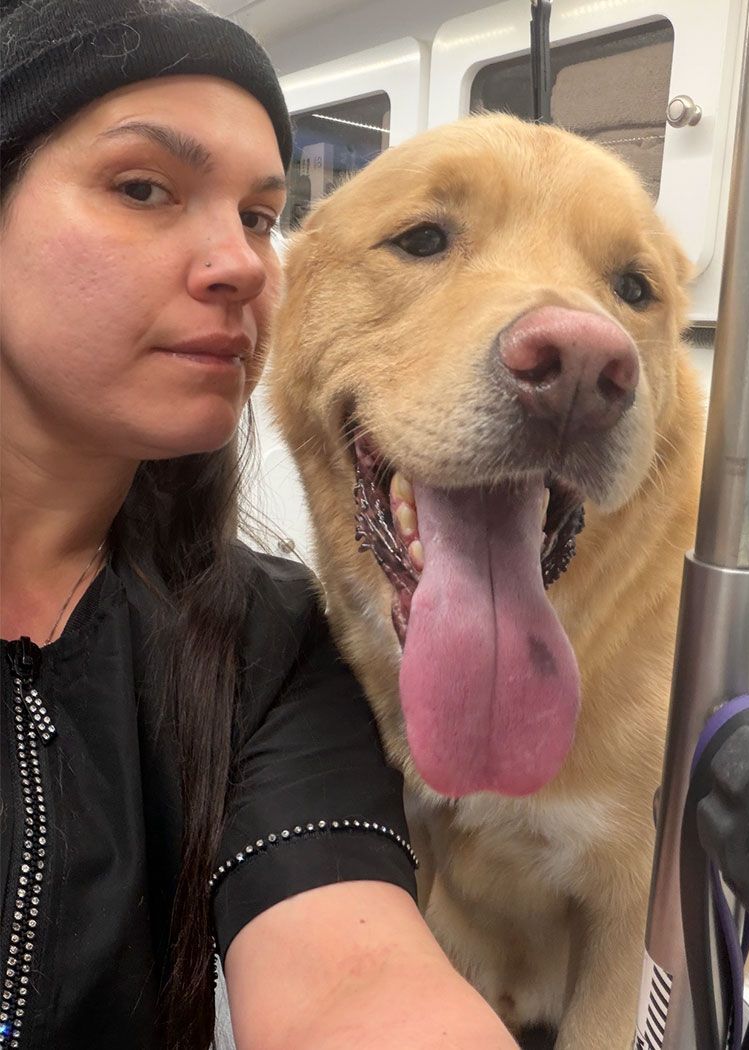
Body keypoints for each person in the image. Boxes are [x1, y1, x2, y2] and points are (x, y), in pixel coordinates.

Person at [0, 2, 521, 1048]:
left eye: (256, 215)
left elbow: (353, 983)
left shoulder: (268, 640)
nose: (240, 264)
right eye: (143, 188)